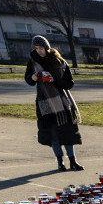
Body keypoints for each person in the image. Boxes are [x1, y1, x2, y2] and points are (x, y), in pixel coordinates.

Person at [24, 35, 83, 171]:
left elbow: (69, 83)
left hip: (62, 102)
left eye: (41, 48)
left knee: (67, 132)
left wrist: (53, 81)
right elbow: (28, 79)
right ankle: (60, 162)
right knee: (53, 135)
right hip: (44, 103)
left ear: (47, 47)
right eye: (36, 48)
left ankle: (73, 161)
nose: (39, 50)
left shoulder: (59, 61)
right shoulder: (32, 62)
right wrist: (33, 77)